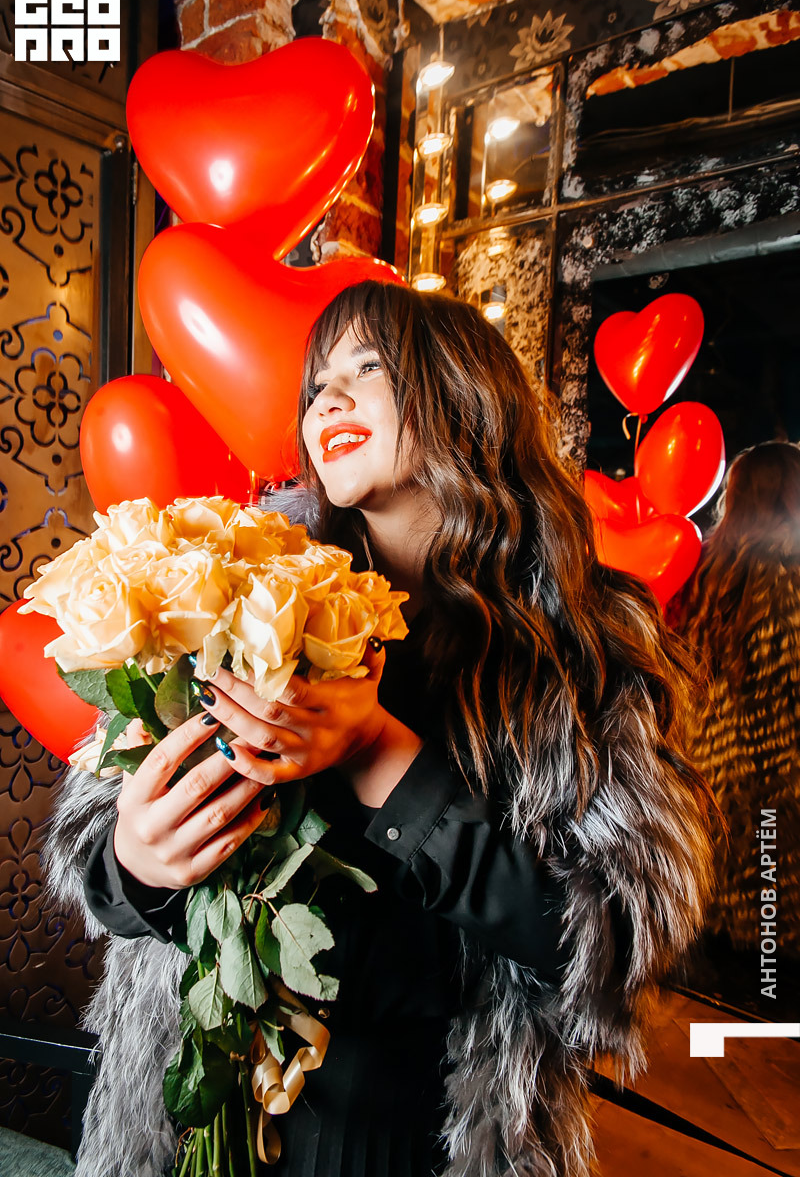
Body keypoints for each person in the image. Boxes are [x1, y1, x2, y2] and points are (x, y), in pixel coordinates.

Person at [46, 280, 717, 1177]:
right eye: (317, 384)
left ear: (465, 394)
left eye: (368, 368)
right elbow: (100, 872)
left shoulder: (583, 647)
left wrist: (380, 755)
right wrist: (137, 860)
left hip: (425, 1141)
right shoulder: (226, 586)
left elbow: (613, 945)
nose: (329, 397)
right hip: (194, 1128)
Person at [672, 441, 800, 965]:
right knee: (776, 909)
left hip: (713, 771)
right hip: (780, 777)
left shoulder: (702, 567)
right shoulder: (789, 576)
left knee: (729, 905)